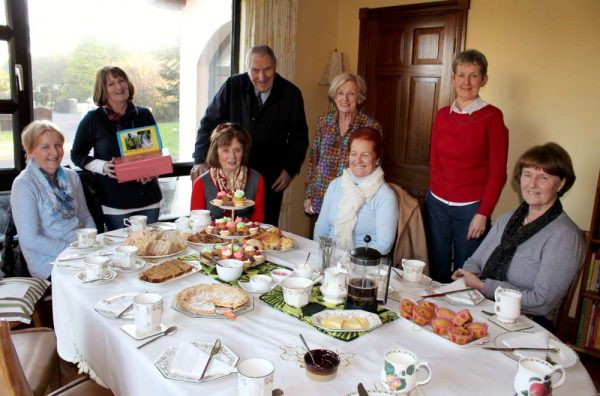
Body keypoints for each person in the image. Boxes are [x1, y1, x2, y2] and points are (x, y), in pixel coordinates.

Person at [453, 143, 584, 330]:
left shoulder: (565, 236)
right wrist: (467, 274)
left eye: (543, 177)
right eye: (527, 174)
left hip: (526, 322)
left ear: (561, 183)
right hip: (481, 306)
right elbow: (474, 261)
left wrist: (483, 286)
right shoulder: (507, 218)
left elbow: (541, 302)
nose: (532, 184)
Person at [191, 45, 308, 226]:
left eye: (267, 69)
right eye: (255, 70)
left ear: (275, 66)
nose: (262, 77)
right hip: (231, 172)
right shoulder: (232, 86)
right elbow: (208, 123)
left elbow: (299, 137)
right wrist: (200, 159)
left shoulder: (290, 94)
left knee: (262, 228)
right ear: (248, 69)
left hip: (270, 177)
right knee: (222, 226)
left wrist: (289, 169)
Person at [425, 49, 509, 283]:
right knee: (437, 271)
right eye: (461, 75)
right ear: (453, 78)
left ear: (484, 79)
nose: (466, 81)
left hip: (471, 210)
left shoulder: (492, 117)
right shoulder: (442, 115)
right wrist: (433, 194)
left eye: (473, 75)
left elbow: (498, 172)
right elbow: (434, 159)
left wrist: (483, 213)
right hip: (437, 205)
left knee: (466, 274)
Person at [71, 66, 162, 231]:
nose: (119, 87)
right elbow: (76, 155)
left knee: (150, 251)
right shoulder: (93, 120)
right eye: (111, 84)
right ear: (103, 90)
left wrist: (150, 171)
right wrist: (103, 167)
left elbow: (155, 153)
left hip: (149, 198)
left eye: (121, 80)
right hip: (115, 202)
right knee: (121, 252)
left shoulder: (143, 115)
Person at [11, 121, 96, 279]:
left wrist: (92, 242)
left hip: (81, 250)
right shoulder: (24, 184)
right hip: (49, 262)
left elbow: (85, 217)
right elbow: (30, 239)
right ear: (30, 151)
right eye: (45, 147)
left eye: (58, 145)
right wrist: (74, 249)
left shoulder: (71, 176)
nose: (55, 153)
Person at [304, 72, 382, 217]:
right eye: (340, 93)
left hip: (353, 201)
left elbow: (375, 166)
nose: (345, 99)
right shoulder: (324, 121)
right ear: (334, 96)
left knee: (346, 239)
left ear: (359, 98)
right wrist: (309, 195)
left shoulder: (370, 126)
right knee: (322, 238)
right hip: (321, 197)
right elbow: (314, 160)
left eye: (351, 94)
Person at [314, 127, 398, 255]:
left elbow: (384, 244)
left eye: (365, 155)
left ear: (377, 159)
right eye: (354, 153)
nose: (358, 160)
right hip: (328, 256)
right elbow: (321, 228)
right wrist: (322, 256)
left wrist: (348, 260)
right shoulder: (335, 185)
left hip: (363, 264)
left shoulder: (385, 195)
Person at [191, 123, 265, 222]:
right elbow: (195, 224)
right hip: (209, 236)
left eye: (237, 150)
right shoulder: (201, 183)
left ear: (244, 152)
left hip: (245, 236)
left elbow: (258, 222)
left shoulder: (257, 180)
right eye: (226, 150)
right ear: (215, 152)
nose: (232, 156)